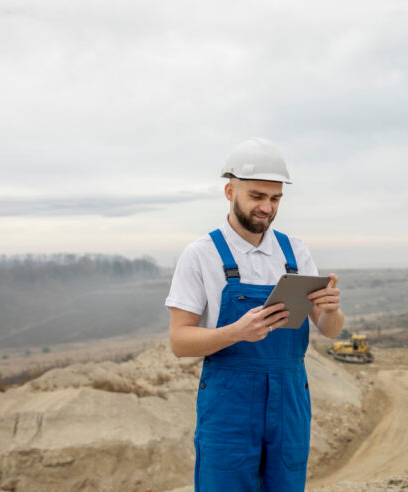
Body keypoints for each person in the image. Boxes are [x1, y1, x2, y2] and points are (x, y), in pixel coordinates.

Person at [165, 137, 344, 491]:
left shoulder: (294, 252)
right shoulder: (201, 255)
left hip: (290, 395)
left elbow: (330, 330)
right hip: (230, 400)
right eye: (257, 197)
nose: (267, 207)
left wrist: (331, 310)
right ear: (230, 191)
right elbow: (179, 341)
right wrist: (235, 332)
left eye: (275, 198)